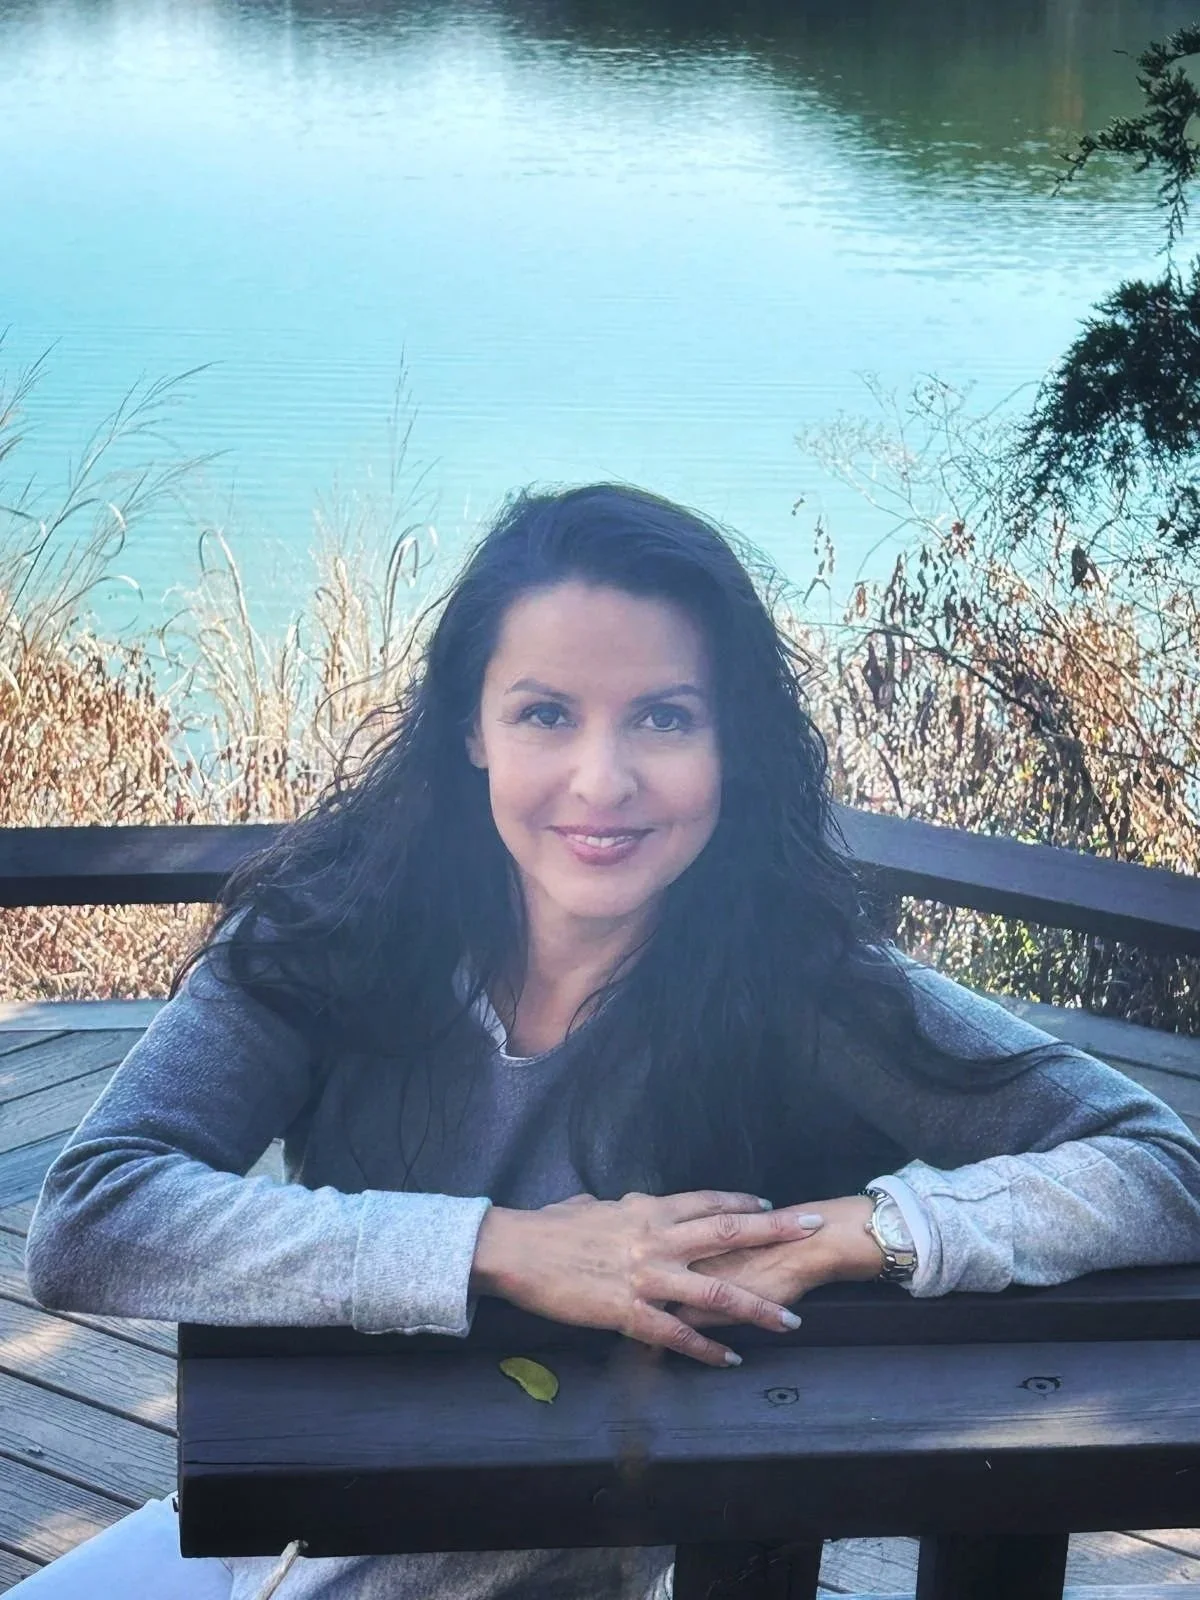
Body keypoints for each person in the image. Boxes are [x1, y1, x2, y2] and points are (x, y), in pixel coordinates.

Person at [20, 484, 1200, 1598]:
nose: (604, 778)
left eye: (664, 717)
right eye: (545, 713)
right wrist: (500, 1247)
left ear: (729, 744)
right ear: (470, 728)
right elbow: (95, 1217)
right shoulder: (335, 932)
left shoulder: (799, 985)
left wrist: (858, 1231)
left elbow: (1158, 1167)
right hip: (273, 1547)